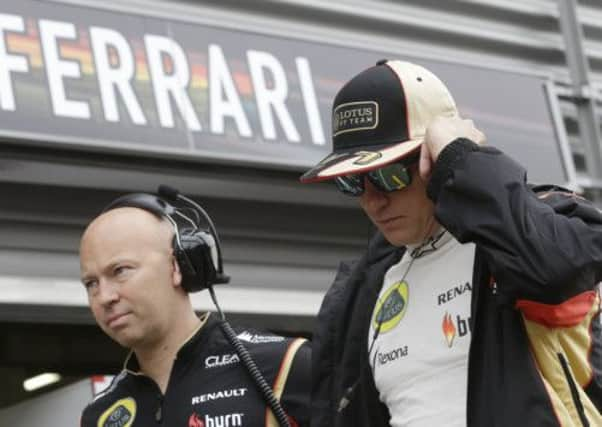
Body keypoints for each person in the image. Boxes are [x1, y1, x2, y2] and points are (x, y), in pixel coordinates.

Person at [300, 59, 602, 426]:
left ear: (434, 158)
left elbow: (556, 270)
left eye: (387, 175)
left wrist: (464, 159)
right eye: (351, 182)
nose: (372, 200)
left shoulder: (528, 231)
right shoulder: (365, 288)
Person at [79, 191, 310, 427]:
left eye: (120, 271)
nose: (105, 297)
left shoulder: (285, 364)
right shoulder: (99, 415)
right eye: (91, 283)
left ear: (176, 266)